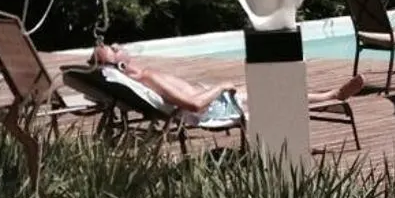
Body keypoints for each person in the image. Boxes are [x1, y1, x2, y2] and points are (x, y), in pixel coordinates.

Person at [91, 42, 363, 125]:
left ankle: (330, 97)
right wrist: (221, 85)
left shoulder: (147, 77)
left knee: (272, 91)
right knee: (275, 99)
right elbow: (194, 104)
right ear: (123, 66)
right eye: (115, 49)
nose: (120, 46)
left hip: (218, 104)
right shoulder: (150, 78)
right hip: (217, 109)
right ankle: (329, 100)